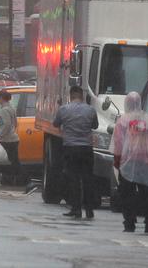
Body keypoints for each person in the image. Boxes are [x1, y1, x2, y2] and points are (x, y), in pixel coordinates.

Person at [112, 91, 148, 233]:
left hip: (128, 162)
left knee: (127, 194)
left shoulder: (122, 121)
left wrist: (117, 161)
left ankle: (129, 222)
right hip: (146, 163)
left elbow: (118, 143)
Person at [54, 86, 99, 219]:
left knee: (73, 179)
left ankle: (76, 209)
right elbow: (95, 126)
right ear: (82, 96)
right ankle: (89, 210)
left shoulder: (63, 110)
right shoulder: (90, 110)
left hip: (70, 148)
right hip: (86, 149)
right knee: (87, 179)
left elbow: (56, 124)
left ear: (70, 96)